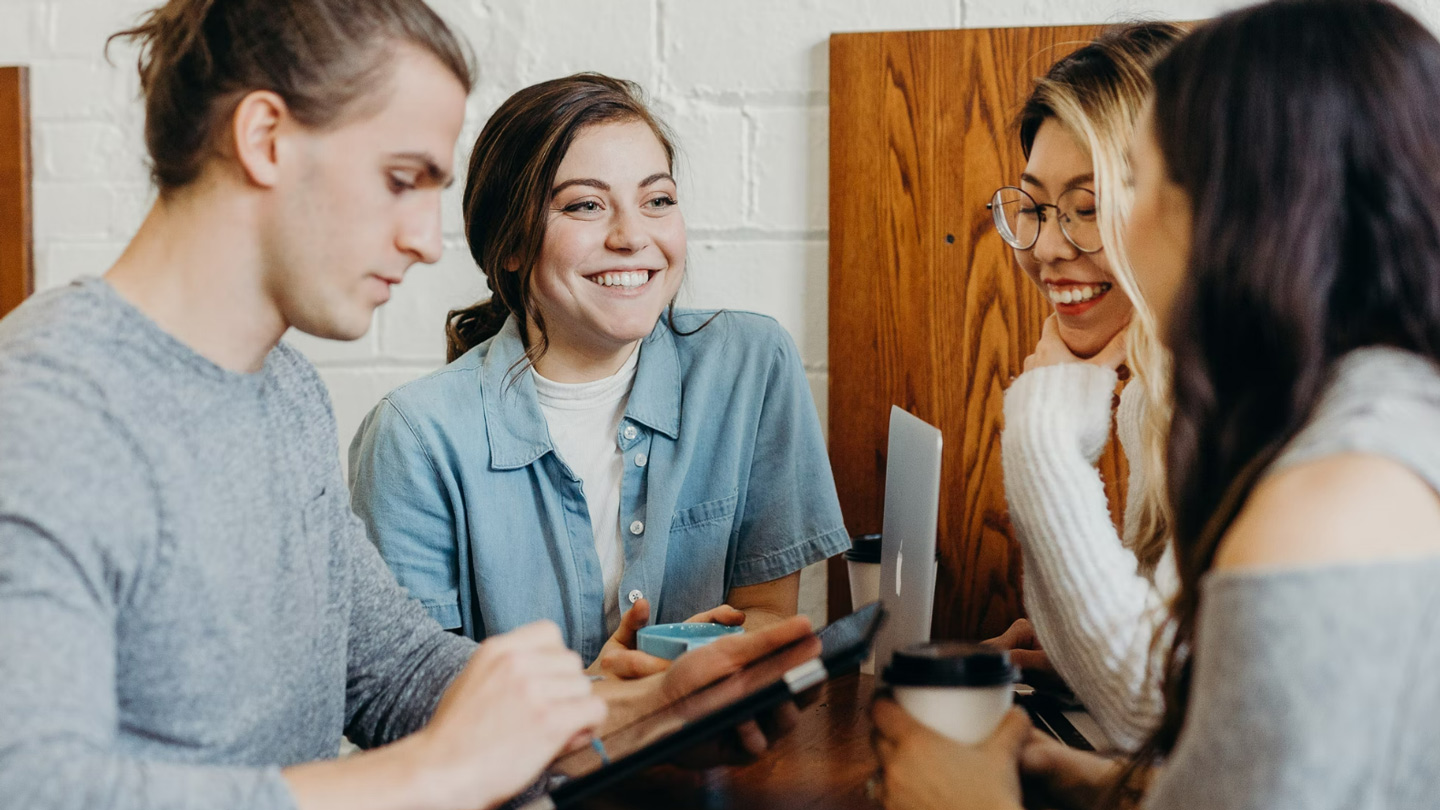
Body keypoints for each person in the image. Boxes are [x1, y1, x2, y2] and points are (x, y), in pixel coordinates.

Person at [0, 3, 813, 809]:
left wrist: (644, 717)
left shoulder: (282, 391)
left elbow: (396, 670)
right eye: (401, 179)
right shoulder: (47, 411)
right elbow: (32, 787)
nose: (429, 240)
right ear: (264, 139)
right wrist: (433, 776)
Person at [873, 0, 1440, 808]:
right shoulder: (1370, 415)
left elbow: (1165, 712)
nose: (1059, 242)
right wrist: (1101, 783)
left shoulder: (1325, 501)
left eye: (1130, 187)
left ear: (1238, 208)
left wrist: (967, 801)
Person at [348, 73, 849, 675]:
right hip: (524, 770)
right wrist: (603, 698)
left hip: (708, 757)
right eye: (585, 205)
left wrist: (681, 678)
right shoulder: (414, 437)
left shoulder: (750, 365)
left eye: (657, 200)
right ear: (509, 244)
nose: (632, 236)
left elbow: (767, 615)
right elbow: (414, 697)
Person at [986, 21, 1184, 751]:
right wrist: (1074, 650)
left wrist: (1041, 430)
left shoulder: (1242, 401)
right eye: (1035, 207)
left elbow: (1151, 711)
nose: (1045, 247)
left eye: (1089, 206)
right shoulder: (1155, 394)